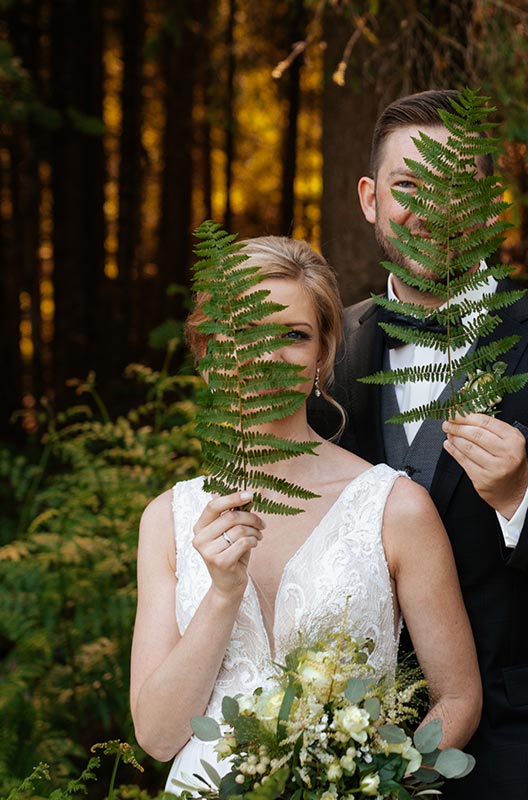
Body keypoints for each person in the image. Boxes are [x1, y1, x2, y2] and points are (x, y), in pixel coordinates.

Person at [308, 90, 528, 799]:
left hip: (523, 756)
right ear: (369, 199)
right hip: (343, 754)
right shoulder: (324, 354)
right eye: (407, 186)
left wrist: (525, 501)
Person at [129, 235, 482, 792]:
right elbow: (156, 735)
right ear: (210, 353)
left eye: (293, 336)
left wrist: (379, 783)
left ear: (322, 356)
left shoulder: (394, 507)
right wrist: (223, 593)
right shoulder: (166, 519)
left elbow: (458, 696)